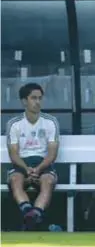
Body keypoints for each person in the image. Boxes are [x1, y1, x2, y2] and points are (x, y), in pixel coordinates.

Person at [6, 83, 60, 230]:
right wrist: (27, 169)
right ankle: (31, 213)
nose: (38, 102)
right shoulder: (14, 124)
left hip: (43, 164)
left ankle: (33, 214)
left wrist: (37, 169)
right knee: (16, 179)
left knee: (47, 180)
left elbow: (52, 154)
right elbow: (14, 154)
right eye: (33, 98)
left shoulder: (50, 122)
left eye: (40, 98)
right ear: (24, 101)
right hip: (21, 164)